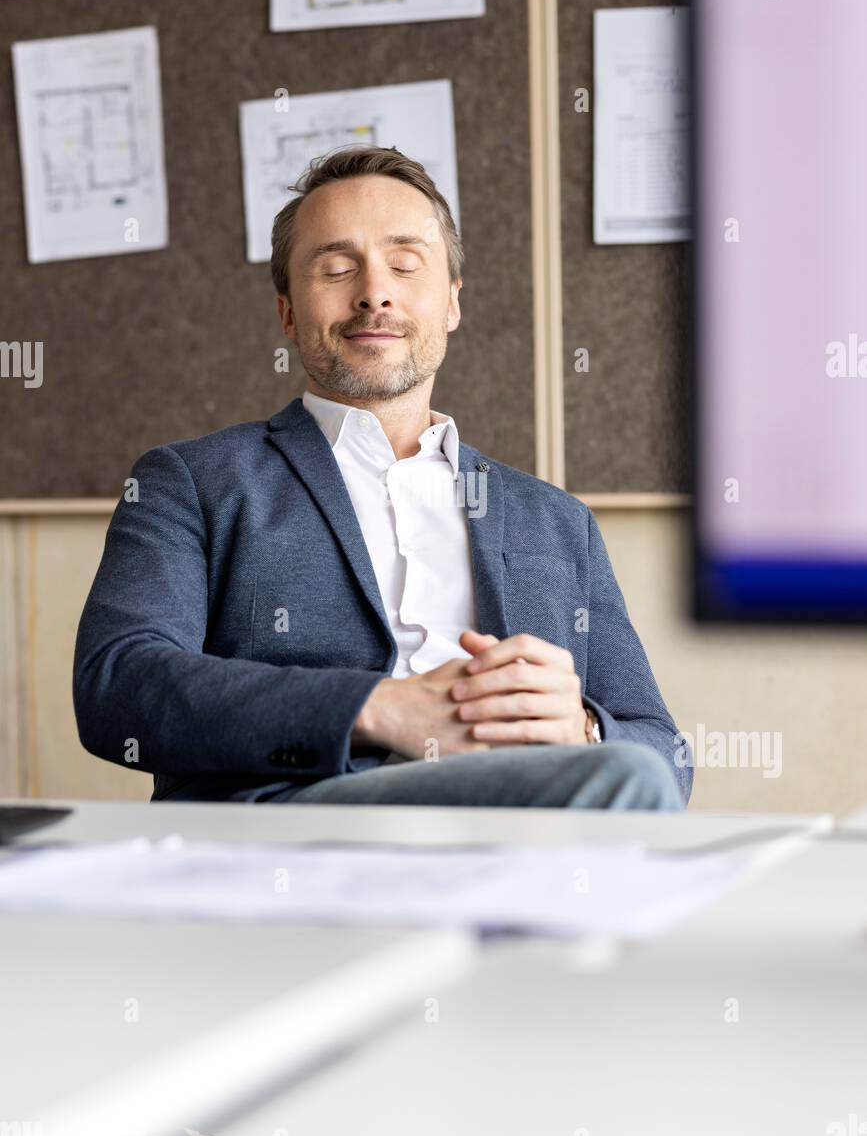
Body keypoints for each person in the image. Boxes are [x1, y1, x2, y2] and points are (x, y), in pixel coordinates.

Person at [73, 146, 692, 812]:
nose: (374, 292)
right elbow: (118, 685)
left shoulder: (558, 521)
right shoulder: (192, 483)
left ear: (451, 302)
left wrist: (580, 729)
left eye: (404, 264)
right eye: (337, 268)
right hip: (288, 834)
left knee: (633, 779)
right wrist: (378, 708)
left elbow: (662, 751)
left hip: (527, 824)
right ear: (287, 312)